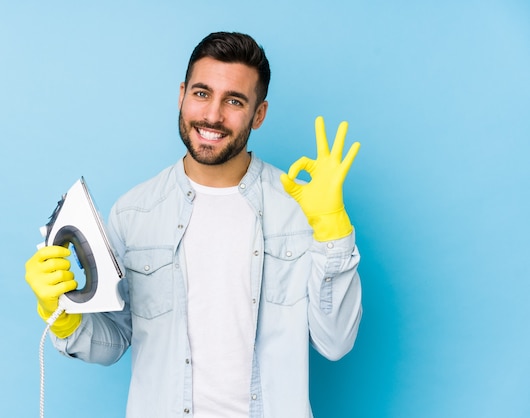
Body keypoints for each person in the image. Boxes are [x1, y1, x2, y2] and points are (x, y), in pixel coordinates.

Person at [25, 31, 362, 418]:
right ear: (182, 94)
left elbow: (335, 342)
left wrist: (332, 231)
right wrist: (62, 315)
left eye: (234, 101)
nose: (213, 116)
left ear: (259, 114)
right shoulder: (134, 212)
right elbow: (114, 340)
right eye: (202, 93)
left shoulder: (300, 210)